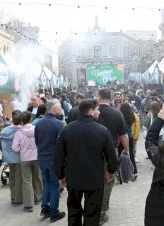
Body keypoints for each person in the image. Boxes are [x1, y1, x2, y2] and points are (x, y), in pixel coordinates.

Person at [54, 99, 118, 226]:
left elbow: (59, 156)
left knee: (74, 211)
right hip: (94, 179)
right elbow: (111, 155)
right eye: (97, 110)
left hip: (73, 179)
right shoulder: (102, 131)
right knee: (93, 212)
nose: (99, 112)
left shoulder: (67, 130)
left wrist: (60, 175)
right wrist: (111, 170)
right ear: (91, 111)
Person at [97, 89, 129, 225]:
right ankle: (101, 212)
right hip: (110, 151)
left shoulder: (93, 111)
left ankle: (96, 207)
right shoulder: (117, 113)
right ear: (111, 98)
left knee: (95, 180)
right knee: (108, 180)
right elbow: (123, 135)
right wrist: (126, 150)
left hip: (92, 151)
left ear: (98, 97)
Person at [34, 98, 66, 222]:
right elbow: (62, 144)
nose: (61, 109)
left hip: (42, 157)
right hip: (53, 159)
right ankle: (54, 212)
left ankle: (45, 208)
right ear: (54, 109)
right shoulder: (59, 124)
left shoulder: (39, 123)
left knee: (47, 182)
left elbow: (37, 141)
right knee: (54, 185)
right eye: (59, 107)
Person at [12, 111, 43, 213]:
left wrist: (22, 149)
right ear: (30, 119)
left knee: (26, 181)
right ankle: (38, 198)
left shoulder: (19, 132)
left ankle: (28, 204)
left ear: (21, 121)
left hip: (25, 159)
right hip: (37, 157)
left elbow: (15, 148)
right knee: (38, 177)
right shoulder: (37, 129)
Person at [0, 110, 23, 206]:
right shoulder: (21, 131)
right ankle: (18, 198)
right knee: (19, 178)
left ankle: (13, 196)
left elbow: (1, 146)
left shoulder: (4, 131)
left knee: (12, 178)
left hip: (9, 157)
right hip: (19, 157)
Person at [119, 103, 138, 177]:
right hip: (130, 137)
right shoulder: (131, 115)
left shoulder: (121, 116)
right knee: (131, 155)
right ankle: (134, 172)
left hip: (123, 138)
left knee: (121, 155)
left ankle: (123, 174)